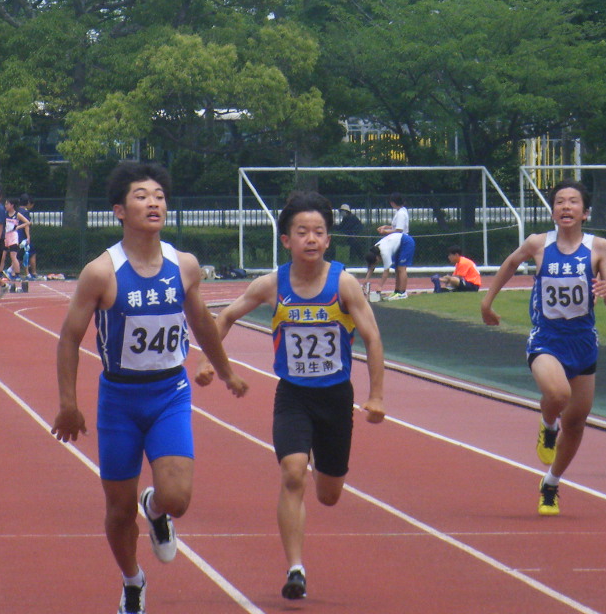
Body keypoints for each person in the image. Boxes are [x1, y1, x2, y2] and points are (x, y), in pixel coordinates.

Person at [52, 161, 248, 614]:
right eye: (141, 196)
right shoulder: (101, 272)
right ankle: (132, 581)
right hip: (119, 400)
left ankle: (156, 509)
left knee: (177, 497)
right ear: (120, 210)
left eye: (159, 196)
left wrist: (225, 370)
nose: (153, 203)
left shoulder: (185, 266)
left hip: (169, 394)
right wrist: (68, 404)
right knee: (119, 511)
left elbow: (201, 322)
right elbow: (68, 339)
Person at [195, 192, 385, 601]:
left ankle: (322, 467)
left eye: (318, 232)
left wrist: (377, 396)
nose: (311, 239)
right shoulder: (272, 284)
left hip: (335, 398)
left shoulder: (344, 284)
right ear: (286, 240)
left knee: (328, 495)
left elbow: (372, 337)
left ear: (328, 239)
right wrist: (211, 361)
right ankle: (295, 568)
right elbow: (225, 316)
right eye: (302, 232)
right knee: (292, 472)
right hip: (293, 396)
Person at [480, 179, 606, 516]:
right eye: (559, 202)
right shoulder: (538, 243)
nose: (566, 206)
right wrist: (487, 302)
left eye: (573, 202)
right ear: (553, 211)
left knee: (577, 422)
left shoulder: (599, 247)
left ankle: (551, 483)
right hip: (547, 339)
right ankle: (548, 425)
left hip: (583, 343)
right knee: (558, 395)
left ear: (585, 212)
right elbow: (510, 264)